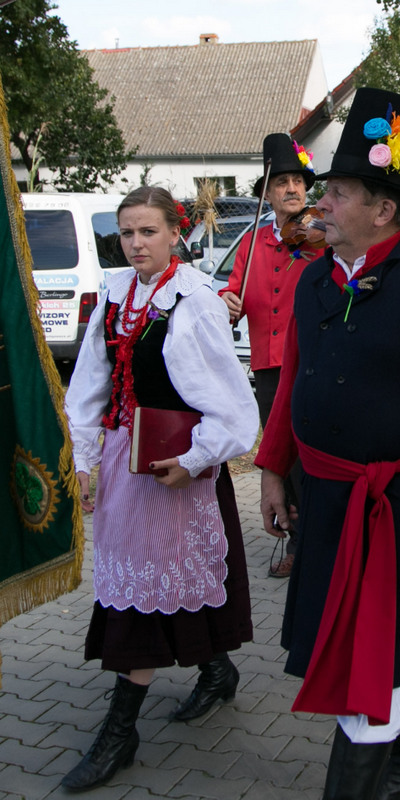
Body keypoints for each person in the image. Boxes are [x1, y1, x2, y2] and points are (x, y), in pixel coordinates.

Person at [255, 88, 400, 800]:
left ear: (384, 209)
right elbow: (293, 381)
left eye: (339, 192)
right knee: (376, 641)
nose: (319, 203)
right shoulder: (317, 278)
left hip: (398, 507)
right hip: (325, 496)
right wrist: (271, 469)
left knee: (370, 665)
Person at [61, 187, 258, 792]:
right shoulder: (116, 292)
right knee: (151, 581)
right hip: (125, 460)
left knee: (149, 591)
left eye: (148, 232)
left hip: (176, 469)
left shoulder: (195, 299)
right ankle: (217, 669)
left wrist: (196, 457)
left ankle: (120, 731)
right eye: (127, 233)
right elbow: (92, 380)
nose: (136, 243)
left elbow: (234, 407)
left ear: (177, 233)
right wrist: (88, 457)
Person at [219, 133, 320, 579]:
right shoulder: (252, 243)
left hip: (314, 363)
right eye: (282, 182)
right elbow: (231, 289)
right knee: (284, 460)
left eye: (298, 181)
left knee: (316, 455)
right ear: (267, 193)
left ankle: (324, 540)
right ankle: (300, 542)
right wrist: (227, 302)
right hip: (268, 367)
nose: (292, 189)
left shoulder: (322, 236)